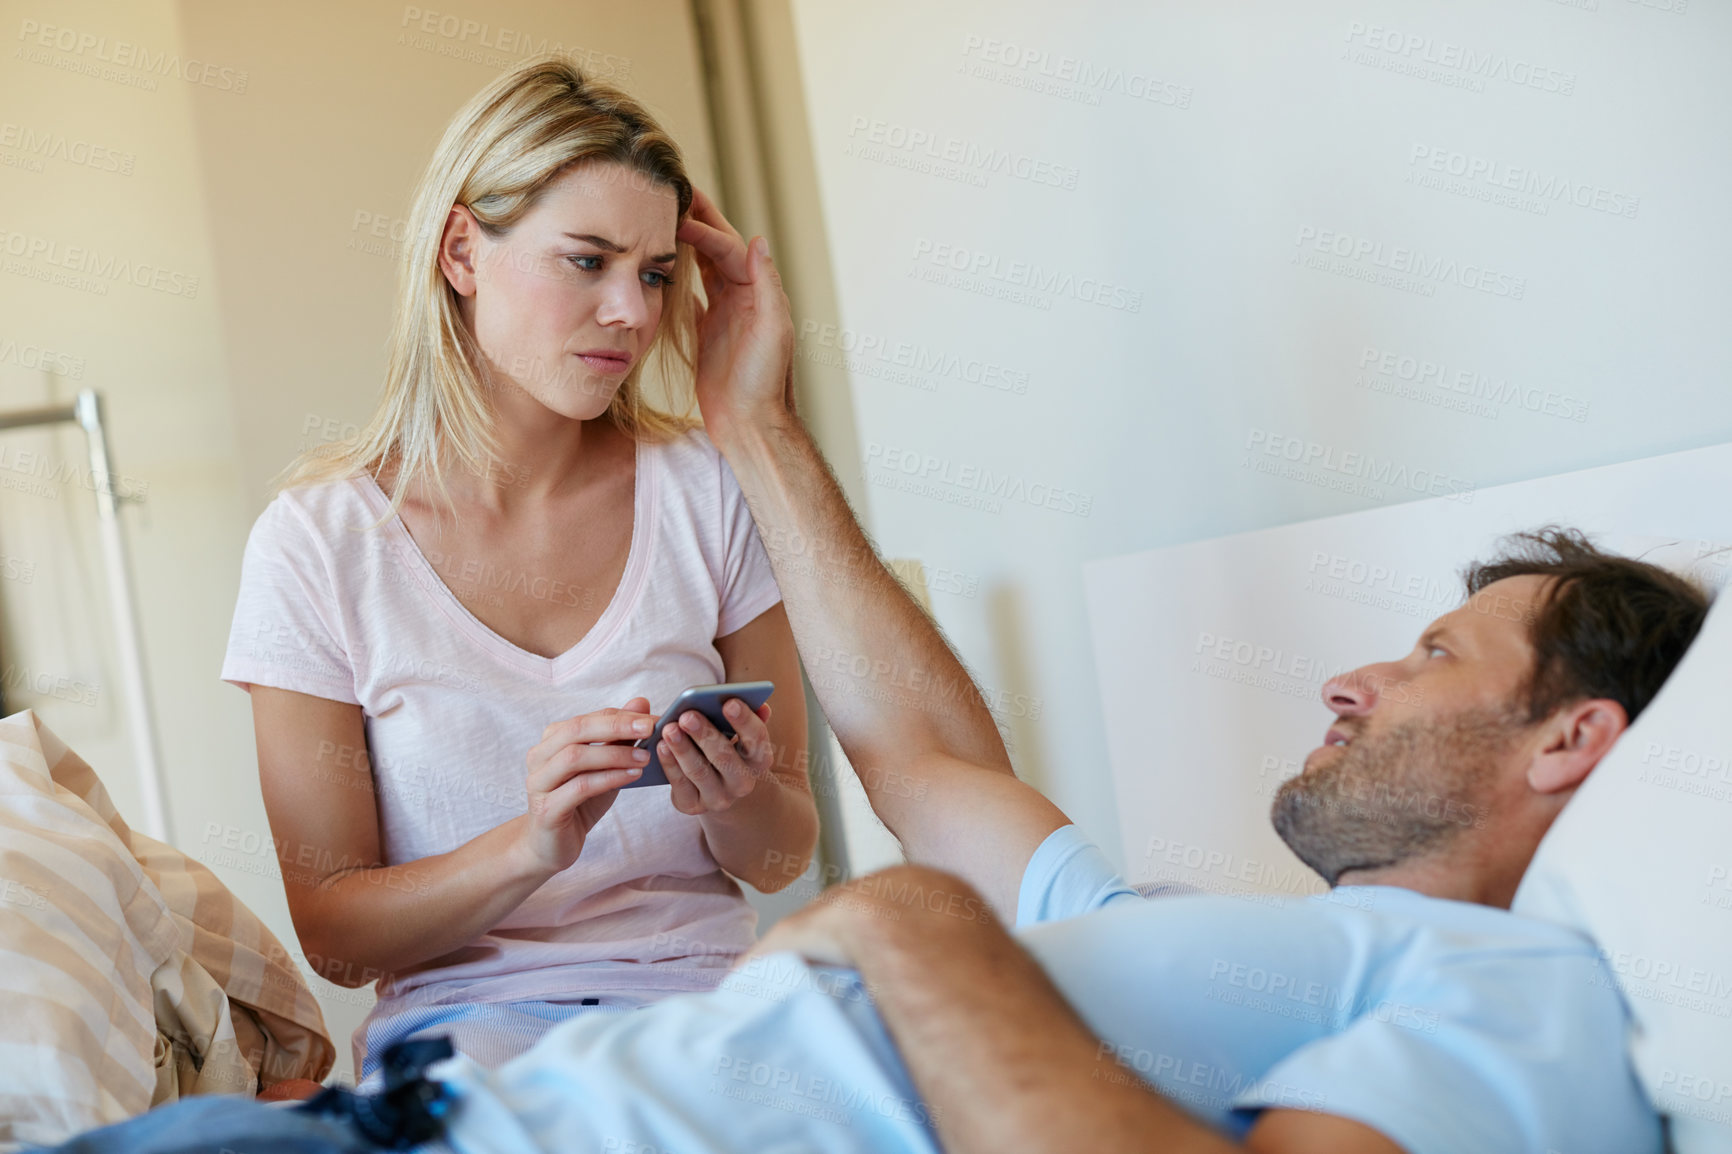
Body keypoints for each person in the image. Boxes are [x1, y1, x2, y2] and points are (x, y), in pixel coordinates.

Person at [50, 119, 1707, 1154]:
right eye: (589, 266)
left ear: (1572, 741)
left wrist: (906, 927)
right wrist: (757, 416)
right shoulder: (1181, 933)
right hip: (446, 1099)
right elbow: (917, 756)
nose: (1350, 672)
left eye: (1428, 651)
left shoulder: (1514, 987)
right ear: (460, 259)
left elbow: (855, 853)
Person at [218, 55, 815, 1084]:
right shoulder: (316, 545)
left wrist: (733, 797)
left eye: (657, 271)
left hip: (707, 1005)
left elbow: (778, 853)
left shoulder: (710, 492)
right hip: (470, 1030)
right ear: (462, 250)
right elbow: (336, 935)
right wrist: (531, 843)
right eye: (587, 260)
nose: (632, 310)